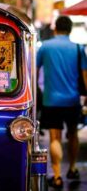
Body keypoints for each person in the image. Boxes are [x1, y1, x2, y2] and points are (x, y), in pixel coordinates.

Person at [37, 16, 87, 188]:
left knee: (55, 137)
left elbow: (34, 72)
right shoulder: (78, 48)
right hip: (73, 100)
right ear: (70, 30)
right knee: (73, 134)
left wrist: (37, 92)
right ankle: (72, 168)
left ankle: (57, 176)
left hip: (51, 100)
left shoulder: (45, 47)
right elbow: (85, 77)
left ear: (55, 29)